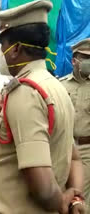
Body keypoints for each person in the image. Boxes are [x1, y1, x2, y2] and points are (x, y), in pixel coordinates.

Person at [0, 1, 85, 213]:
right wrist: (75, 196)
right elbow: (73, 156)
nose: (0, 54)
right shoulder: (54, 86)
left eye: (3, 46)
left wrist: (61, 201)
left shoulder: (26, 93)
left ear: (16, 49)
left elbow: (43, 187)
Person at [60, 38, 90, 209]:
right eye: (85, 58)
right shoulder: (61, 86)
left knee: (81, 200)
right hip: (64, 149)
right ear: (74, 61)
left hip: (87, 148)